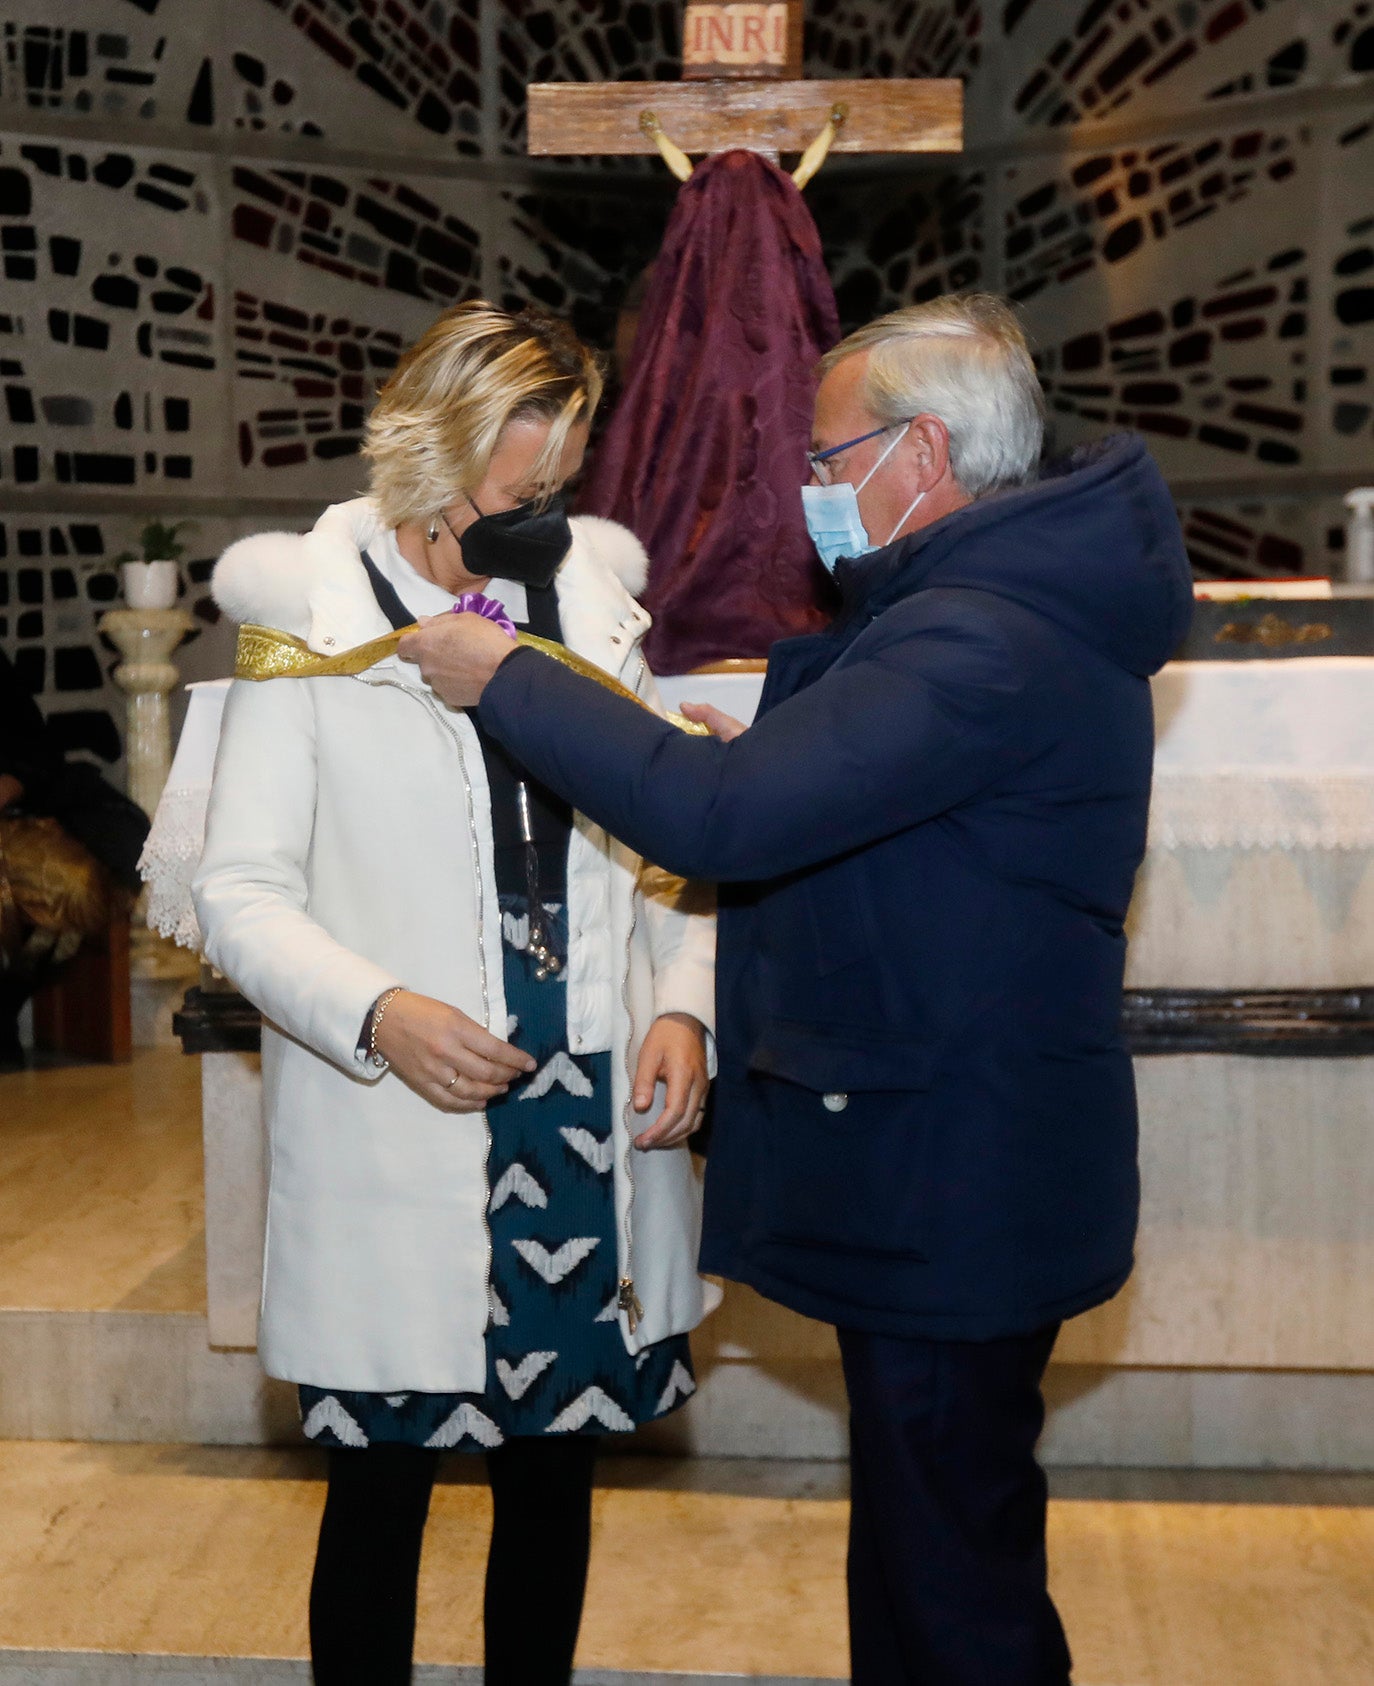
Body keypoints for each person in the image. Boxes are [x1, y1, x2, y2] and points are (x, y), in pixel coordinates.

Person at [398, 293, 1195, 1686]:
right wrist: (750, 752)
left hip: (952, 1180)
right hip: (953, 1164)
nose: (812, 490)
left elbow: (723, 824)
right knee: (918, 1545)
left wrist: (512, 674)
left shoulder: (975, 638)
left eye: (831, 460)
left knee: (953, 1581)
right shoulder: (991, 609)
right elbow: (851, 806)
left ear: (921, 454)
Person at [192, 301, 717, 1686]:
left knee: (551, 1485)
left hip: (581, 1101)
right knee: (382, 1494)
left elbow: (670, 836)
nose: (527, 524)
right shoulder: (307, 627)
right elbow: (236, 889)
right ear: (426, 457)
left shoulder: (593, 608)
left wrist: (682, 1006)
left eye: (552, 490)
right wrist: (375, 1011)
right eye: (504, 493)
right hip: (404, 1112)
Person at [0, 647, 149, 1065]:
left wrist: (13, 780)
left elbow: (32, 746)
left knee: (79, 885)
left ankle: (6, 1006)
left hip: (14, 821)